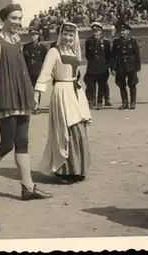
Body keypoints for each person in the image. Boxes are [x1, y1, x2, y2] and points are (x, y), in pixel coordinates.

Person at [0, 4, 52, 200]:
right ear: (4, 19)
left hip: (21, 95)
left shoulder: (18, 40)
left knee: (22, 142)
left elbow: (22, 71)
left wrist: (31, 95)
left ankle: (27, 187)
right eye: (14, 18)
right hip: (6, 95)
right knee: (6, 144)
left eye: (20, 18)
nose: (18, 22)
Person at [34, 22, 92, 184]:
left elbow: (77, 74)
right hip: (61, 91)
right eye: (65, 35)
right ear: (60, 35)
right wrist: (36, 95)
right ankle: (64, 170)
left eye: (71, 35)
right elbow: (45, 73)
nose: (68, 38)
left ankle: (77, 169)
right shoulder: (54, 51)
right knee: (65, 129)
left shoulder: (74, 52)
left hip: (74, 92)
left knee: (78, 127)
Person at [110, 21, 141, 110]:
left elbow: (137, 54)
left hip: (131, 66)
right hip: (120, 66)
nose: (122, 33)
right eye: (121, 31)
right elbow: (113, 56)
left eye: (124, 31)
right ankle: (125, 103)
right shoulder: (116, 42)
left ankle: (133, 103)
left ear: (128, 31)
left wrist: (138, 67)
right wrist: (112, 68)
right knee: (121, 84)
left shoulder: (133, 41)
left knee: (132, 84)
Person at [84, 22, 111, 110]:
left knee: (102, 85)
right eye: (94, 31)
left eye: (98, 31)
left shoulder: (106, 42)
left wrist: (107, 65)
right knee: (91, 85)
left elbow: (108, 55)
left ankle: (100, 101)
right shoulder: (88, 41)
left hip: (102, 67)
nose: (96, 33)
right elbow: (87, 55)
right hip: (92, 67)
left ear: (101, 31)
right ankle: (91, 100)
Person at [23, 29, 48, 104]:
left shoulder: (42, 47)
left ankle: (37, 105)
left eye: (34, 35)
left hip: (39, 71)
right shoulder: (26, 46)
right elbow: (24, 59)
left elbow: (45, 60)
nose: (32, 37)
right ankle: (31, 104)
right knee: (30, 89)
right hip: (29, 70)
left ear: (37, 36)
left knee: (37, 89)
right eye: (31, 35)